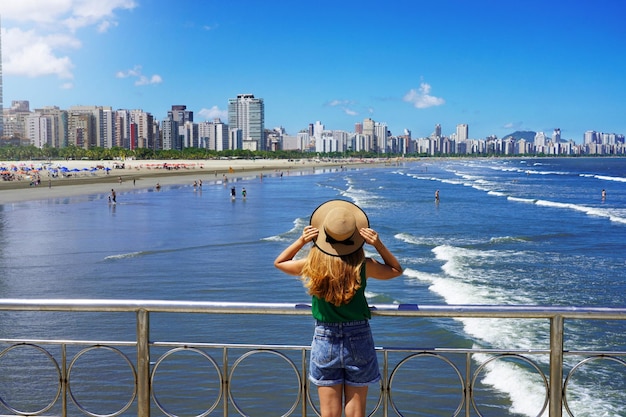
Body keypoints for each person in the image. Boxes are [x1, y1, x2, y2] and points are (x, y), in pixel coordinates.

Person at [274, 199, 403, 417]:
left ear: (323, 236)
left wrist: (301, 241)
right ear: (355, 238)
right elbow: (395, 270)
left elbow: (280, 262)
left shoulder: (312, 264)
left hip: (325, 337)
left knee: (330, 413)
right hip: (359, 337)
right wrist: (378, 244)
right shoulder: (363, 265)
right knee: (355, 411)